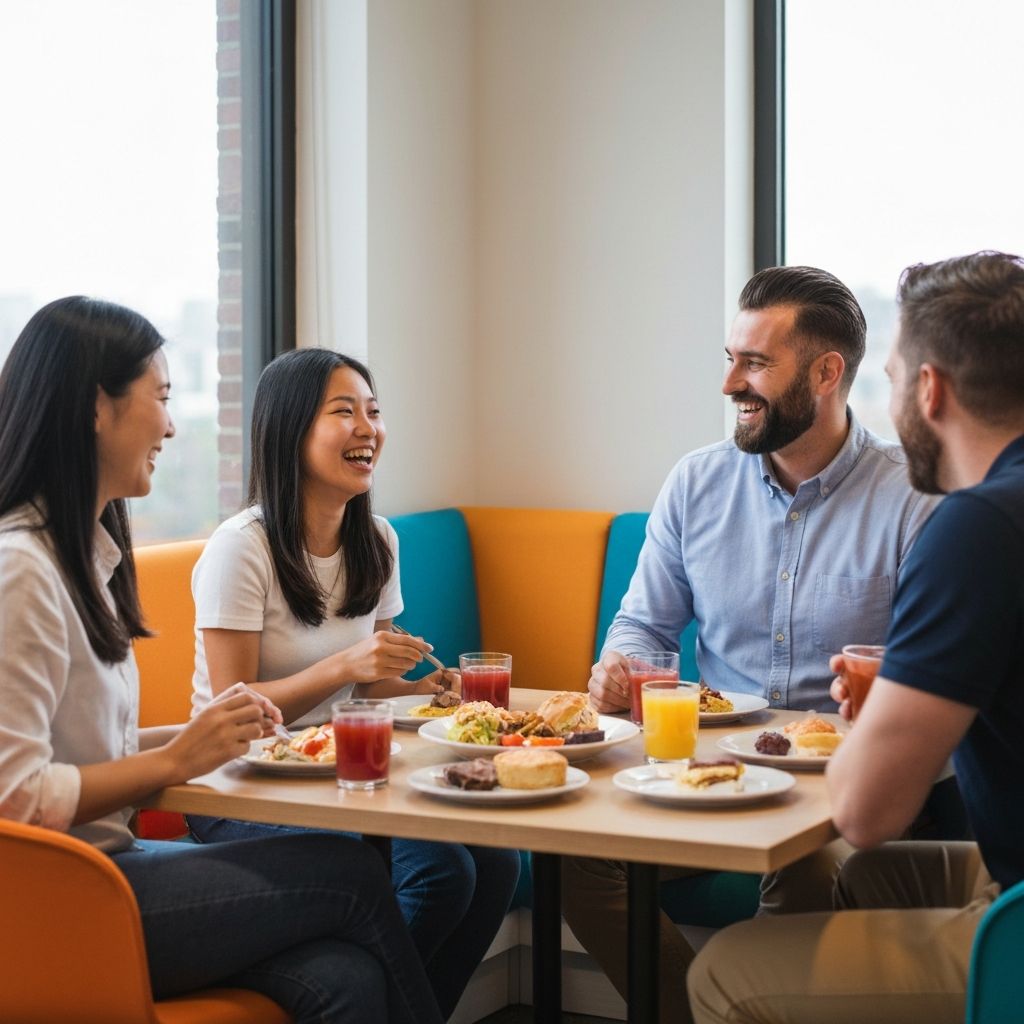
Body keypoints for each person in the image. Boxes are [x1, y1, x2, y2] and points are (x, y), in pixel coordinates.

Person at [0, 297, 442, 1024]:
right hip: (64, 898)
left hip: (114, 868)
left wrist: (191, 736)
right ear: (95, 408)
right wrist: (177, 762)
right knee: (352, 870)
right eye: (162, 398)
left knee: (345, 976)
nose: (172, 425)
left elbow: (84, 751)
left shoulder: (87, 559)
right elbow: (16, 796)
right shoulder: (22, 569)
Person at [562, 266, 946, 1023]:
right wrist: (620, 667)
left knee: (802, 870)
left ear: (828, 373)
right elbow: (643, 626)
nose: (731, 382)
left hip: (841, 794)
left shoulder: (914, 498)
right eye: (729, 358)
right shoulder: (695, 484)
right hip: (707, 772)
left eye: (757, 364)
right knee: (573, 853)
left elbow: (925, 681)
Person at [688, 251, 1024, 1023]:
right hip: (1002, 867)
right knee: (850, 883)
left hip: (1015, 910)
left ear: (930, 389)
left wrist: (869, 717)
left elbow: (868, 813)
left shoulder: (975, 527)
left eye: (899, 375)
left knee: (724, 970)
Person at [188, 346, 520, 1018]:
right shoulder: (240, 547)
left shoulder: (377, 538)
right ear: (290, 430)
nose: (368, 427)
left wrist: (428, 688)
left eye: (373, 410)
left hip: (345, 771)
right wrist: (345, 666)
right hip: (238, 785)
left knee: (497, 864)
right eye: (344, 411)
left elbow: (366, 691)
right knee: (440, 870)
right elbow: (231, 709)